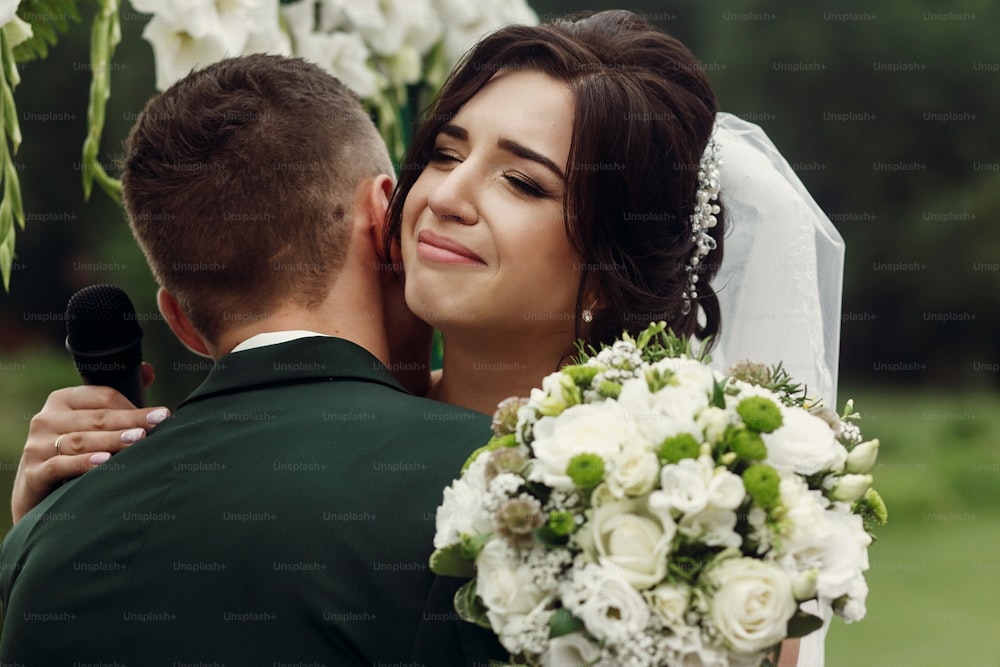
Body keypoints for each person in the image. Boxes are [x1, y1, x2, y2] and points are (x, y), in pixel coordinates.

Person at [9, 10, 843, 666]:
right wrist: (56, 512)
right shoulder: (326, 431)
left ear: (609, 267)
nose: (448, 195)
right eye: (446, 153)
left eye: (521, 180)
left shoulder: (681, 504)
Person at [0, 53, 504, 665]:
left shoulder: (38, 542)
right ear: (383, 214)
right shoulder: (488, 480)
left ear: (180, 319)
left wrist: (48, 520)